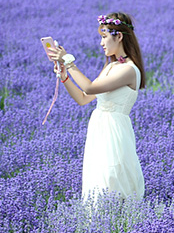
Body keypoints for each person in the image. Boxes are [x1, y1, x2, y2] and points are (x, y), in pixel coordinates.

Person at [48, 12, 145, 202]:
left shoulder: (129, 70)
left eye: (104, 37)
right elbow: (84, 98)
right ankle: (99, 228)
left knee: (112, 180)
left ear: (119, 36)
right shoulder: (111, 67)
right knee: (96, 181)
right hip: (99, 128)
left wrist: (69, 61)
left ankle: (119, 226)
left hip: (114, 131)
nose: (101, 43)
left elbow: (89, 87)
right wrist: (64, 75)